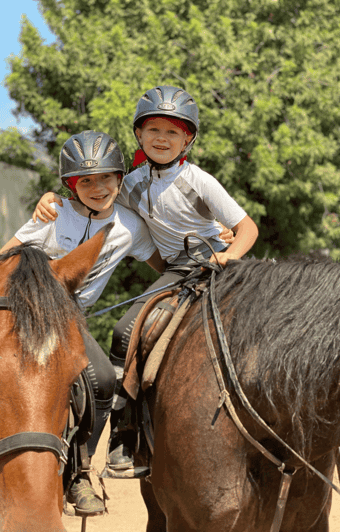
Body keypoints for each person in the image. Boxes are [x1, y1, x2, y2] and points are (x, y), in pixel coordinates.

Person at [32, 86, 258, 478]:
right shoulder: (130, 183)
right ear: (138, 134)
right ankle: (126, 434)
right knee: (124, 332)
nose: (161, 139)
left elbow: (247, 228)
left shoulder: (200, 180)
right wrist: (52, 195)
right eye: (153, 129)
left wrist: (228, 255)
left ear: (188, 138)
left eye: (173, 132)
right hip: (177, 269)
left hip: (220, 264)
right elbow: (92, 196)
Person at [0, 130, 165, 509]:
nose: (97, 187)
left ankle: (78, 472)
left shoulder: (130, 226)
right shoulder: (54, 212)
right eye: (85, 180)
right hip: (31, 317)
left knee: (104, 379)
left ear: (120, 179)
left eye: (106, 177)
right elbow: (6, 256)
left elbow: (162, 263)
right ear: (70, 185)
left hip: (72, 319)